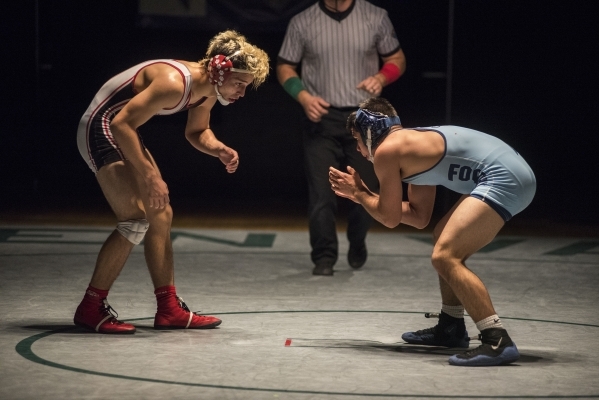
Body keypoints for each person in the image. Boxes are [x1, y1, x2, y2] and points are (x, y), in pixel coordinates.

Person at [74, 30, 269, 334]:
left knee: (161, 213)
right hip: (101, 126)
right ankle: (90, 307)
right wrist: (151, 177)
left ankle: (168, 309)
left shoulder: (209, 90)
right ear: (220, 71)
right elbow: (120, 123)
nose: (242, 94)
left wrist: (218, 148)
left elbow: (196, 132)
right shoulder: (173, 83)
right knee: (135, 220)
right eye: (240, 85)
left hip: (122, 129)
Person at [328, 97, 536, 366]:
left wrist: (359, 193)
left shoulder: (387, 151)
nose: (358, 149)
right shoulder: (411, 147)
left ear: (370, 132)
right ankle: (451, 326)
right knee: (441, 237)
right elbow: (417, 216)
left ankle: (496, 339)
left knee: (445, 256)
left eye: (357, 140)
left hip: (505, 178)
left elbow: (389, 218)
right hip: (511, 173)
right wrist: (364, 195)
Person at [277, 0, 406, 276]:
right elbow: (285, 66)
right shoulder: (302, 21)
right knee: (322, 192)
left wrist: (382, 78)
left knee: (369, 189)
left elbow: (396, 59)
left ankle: (357, 240)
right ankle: (324, 256)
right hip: (322, 118)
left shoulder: (375, 16)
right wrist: (302, 96)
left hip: (366, 119)